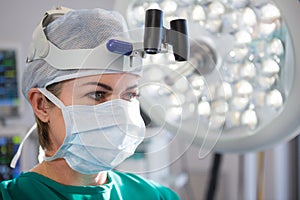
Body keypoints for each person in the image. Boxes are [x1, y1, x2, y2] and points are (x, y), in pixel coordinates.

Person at [0, 7, 180, 200]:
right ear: (42, 104)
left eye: (130, 95)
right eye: (98, 94)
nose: (120, 114)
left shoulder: (157, 197)